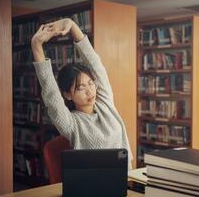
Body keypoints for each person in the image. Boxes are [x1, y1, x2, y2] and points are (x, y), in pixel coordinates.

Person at [31, 18, 133, 169]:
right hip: (94, 185)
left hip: (127, 178)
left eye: (90, 83)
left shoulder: (104, 102)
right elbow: (50, 91)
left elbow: (94, 63)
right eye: (80, 88)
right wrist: (36, 45)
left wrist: (72, 25)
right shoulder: (71, 123)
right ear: (67, 95)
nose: (90, 91)